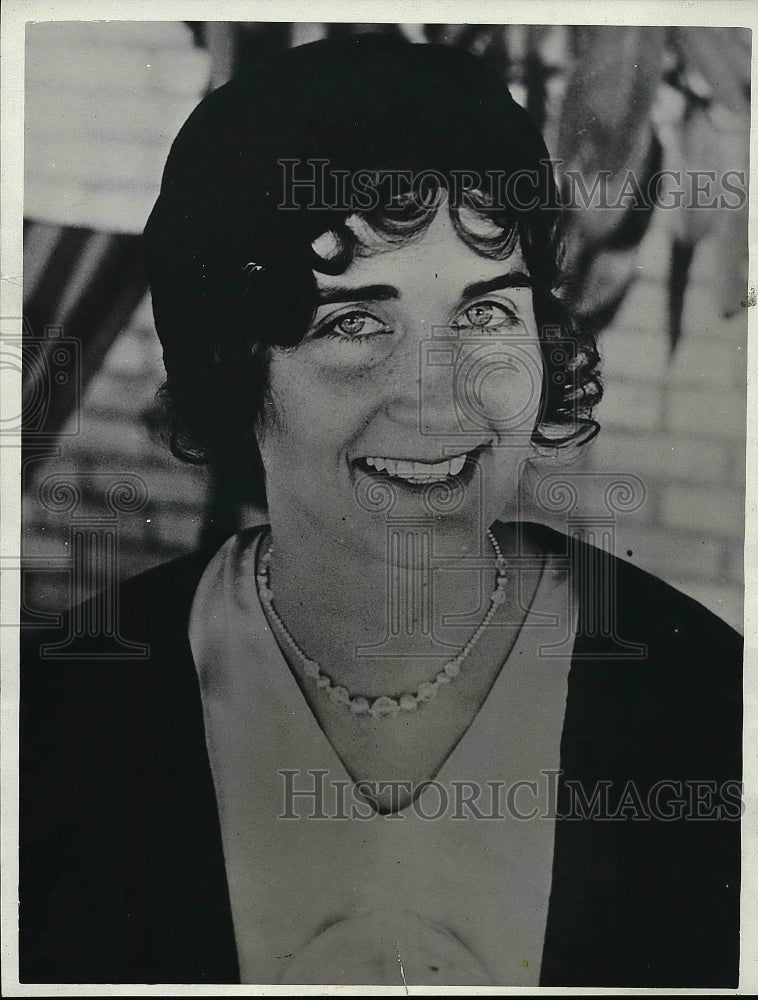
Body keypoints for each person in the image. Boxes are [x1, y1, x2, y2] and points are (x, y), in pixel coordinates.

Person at [19, 33, 742, 987]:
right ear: (234, 365)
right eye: (356, 322)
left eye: (486, 314)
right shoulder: (57, 722)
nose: (437, 399)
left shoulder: (712, 704)